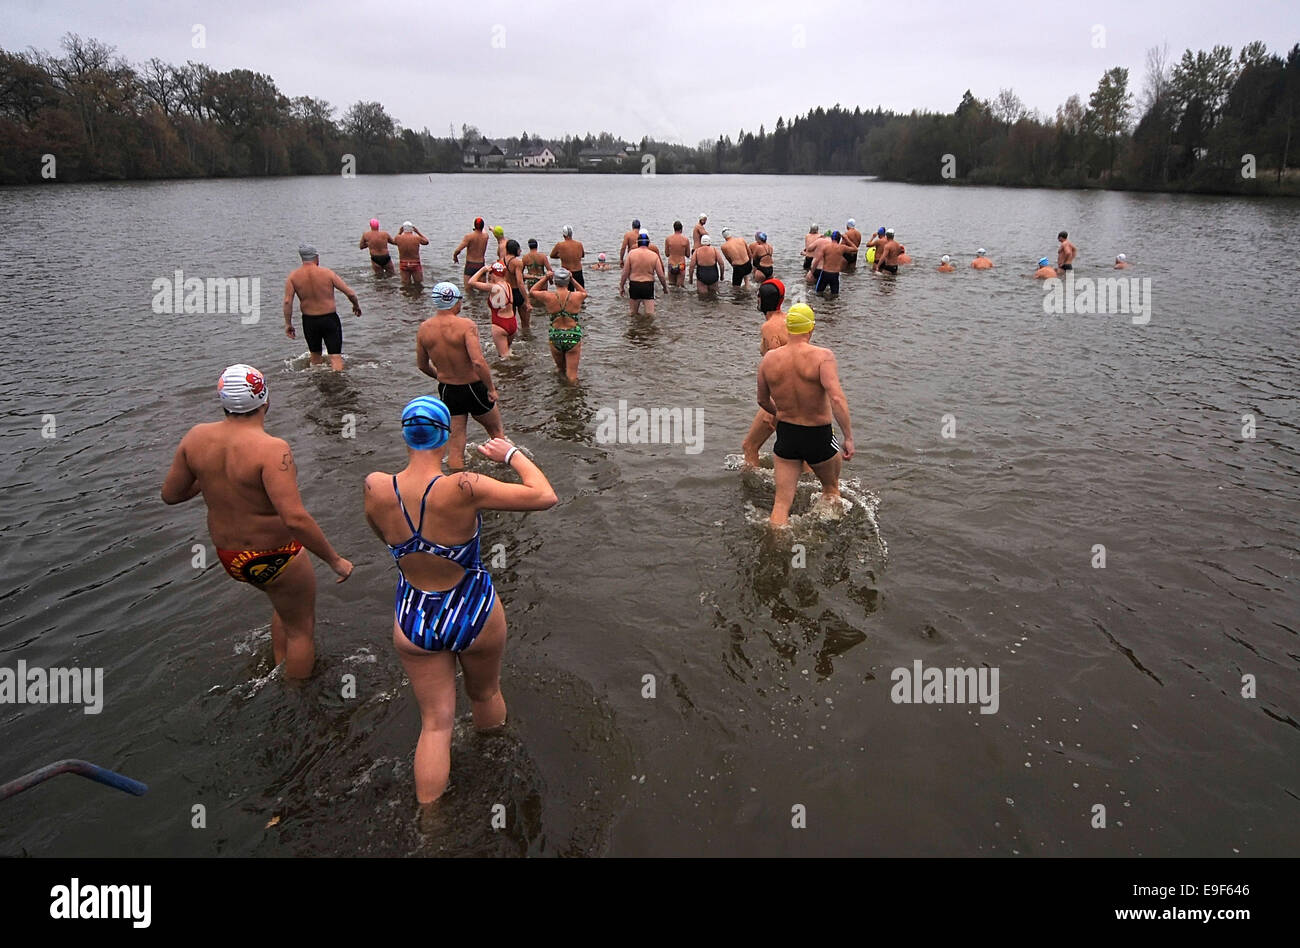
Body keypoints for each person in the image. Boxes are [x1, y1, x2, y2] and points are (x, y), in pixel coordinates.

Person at [364, 395, 556, 804]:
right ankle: (494, 767)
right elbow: (544, 495)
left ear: (405, 435)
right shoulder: (463, 487)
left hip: (414, 615)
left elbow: (382, 536)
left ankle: (431, 825)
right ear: (445, 435)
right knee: (484, 695)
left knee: (434, 724)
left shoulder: (377, 487)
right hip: (473, 610)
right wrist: (512, 454)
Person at [161, 364, 354, 679]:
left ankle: (279, 668)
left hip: (232, 559)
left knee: (283, 607)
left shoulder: (196, 437)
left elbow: (170, 495)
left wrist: (210, 476)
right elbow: (295, 518)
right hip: (276, 556)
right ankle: (296, 698)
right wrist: (335, 561)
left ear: (223, 399)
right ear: (266, 400)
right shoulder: (272, 450)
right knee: (301, 630)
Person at [756, 304, 854, 526]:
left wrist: (778, 413)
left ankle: (776, 546)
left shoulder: (769, 359)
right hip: (818, 435)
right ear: (811, 328)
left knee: (781, 503)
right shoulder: (822, 356)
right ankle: (827, 539)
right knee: (830, 490)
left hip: (787, 436)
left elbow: (762, 400)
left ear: (788, 328)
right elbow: (836, 399)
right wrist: (848, 437)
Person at [416, 282, 506, 469]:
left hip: (448, 390)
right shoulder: (466, 325)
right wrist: (491, 388)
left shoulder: (424, 329)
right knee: (496, 432)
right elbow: (478, 362)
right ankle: (506, 473)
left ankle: (458, 485)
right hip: (473, 387)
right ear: (454, 301)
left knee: (456, 444)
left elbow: (422, 365)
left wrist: (441, 376)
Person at [284, 243, 361, 372]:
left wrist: (288, 324)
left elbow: (287, 302)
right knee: (335, 356)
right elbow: (350, 293)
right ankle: (338, 383)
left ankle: (319, 384)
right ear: (316, 257)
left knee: (315, 356)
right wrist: (356, 305)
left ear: (302, 258)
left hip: (309, 321)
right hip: (329, 319)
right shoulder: (327, 273)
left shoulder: (293, 277)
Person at [741, 279, 790, 467]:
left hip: (780, 399)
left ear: (760, 300)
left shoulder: (769, 327)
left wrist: (773, 412)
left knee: (749, 446)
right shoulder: (789, 320)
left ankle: (752, 490)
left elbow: (776, 365)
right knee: (800, 454)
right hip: (798, 395)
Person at [529, 267, 587, 382]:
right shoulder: (576, 296)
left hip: (556, 336)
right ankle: (572, 396)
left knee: (560, 370)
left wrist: (546, 277)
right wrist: (572, 279)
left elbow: (532, 291)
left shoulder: (548, 296)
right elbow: (584, 292)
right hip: (572, 335)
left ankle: (560, 393)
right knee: (572, 376)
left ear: (555, 281)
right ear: (567, 281)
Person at [467, 262, 518, 357]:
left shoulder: (494, 288)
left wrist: (483, 270)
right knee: (508, 353)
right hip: (512, 323)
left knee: (504, 357)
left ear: (492, 273)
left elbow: (471, 282)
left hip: (500, 325)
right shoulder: (508, 285)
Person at [619, 232, 668, 316]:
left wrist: (621, 286)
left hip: (634, 284)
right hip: (648, 285)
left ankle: (634, 328)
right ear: (648, 243)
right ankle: (647, 328)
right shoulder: (654, 255)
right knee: (650, 314)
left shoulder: (631, 254)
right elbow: (661, 275)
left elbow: (625, 273)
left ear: (638, 243)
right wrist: (664, 287)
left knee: (632, 313)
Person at [453, 218, 490, 288]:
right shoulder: (486, 236)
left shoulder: (469, 237)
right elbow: (483, 231)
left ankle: (470, 299)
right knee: (482, 290)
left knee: (468, 290)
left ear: (474, 226)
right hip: (481, 265)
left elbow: (458, 250)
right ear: (482, 226)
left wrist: (455, 257)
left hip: (470, 265)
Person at [810, 231, 848, 296]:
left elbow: (817, 259)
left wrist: (812, 272)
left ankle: (819, 305)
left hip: (825, 273)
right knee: (835, 294)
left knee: (818, 293)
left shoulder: (825, 247)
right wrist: (847, 239)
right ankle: (832, 305)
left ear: (831, 238)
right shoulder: (841, 248)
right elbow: (855, 249)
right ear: (839, 239)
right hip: (835, 274)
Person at [394, 221, 430, 286]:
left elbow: (394, 242)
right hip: (415, 263)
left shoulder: (398, 238)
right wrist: (418, 232)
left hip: (403, 263)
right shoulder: (417, 238)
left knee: (405, 285)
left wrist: (400, 232)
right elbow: (426, 242)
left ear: (403, 229)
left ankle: (407, 294)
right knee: (418, 284)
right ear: (412, 229)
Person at [665, 220, 691, 287]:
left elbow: (667, 254)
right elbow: (688, 255)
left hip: (671, 264)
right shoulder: (685, 240)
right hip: (681, 265)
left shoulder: (668, 239)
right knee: (680, 287)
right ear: (681, 229)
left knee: (671, 286)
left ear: (674, 228)